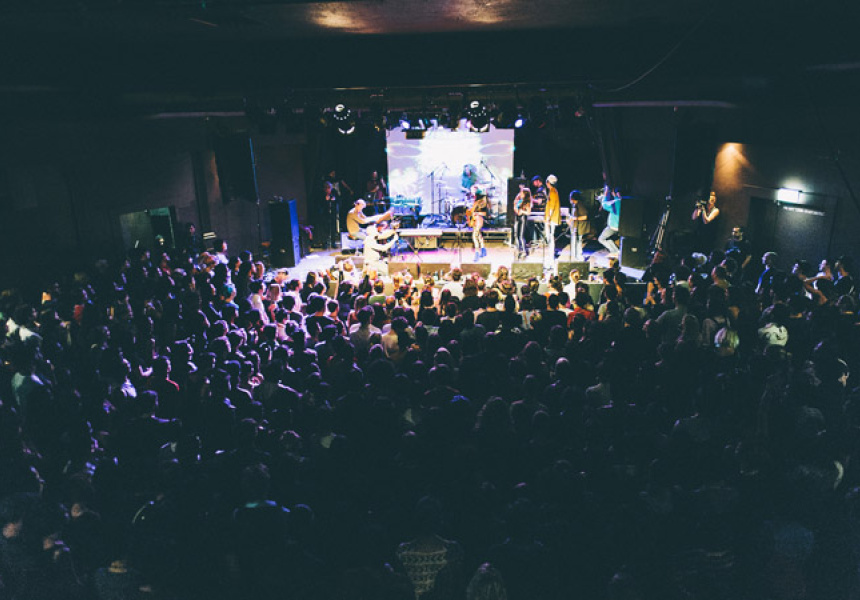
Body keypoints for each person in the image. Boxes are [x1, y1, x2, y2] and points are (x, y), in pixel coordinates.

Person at [598, 186, 621, 256]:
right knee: (608, 238)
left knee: (601, 239)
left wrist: (605, 194)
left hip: (614, 226)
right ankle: (615, 251)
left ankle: (615, 251)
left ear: (614, 193)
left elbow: (604, 205)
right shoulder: (626, 202)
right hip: (622, 227)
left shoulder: (615, 202)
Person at [544, 175, 561, 264]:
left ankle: (551, 256)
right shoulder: (552, 191)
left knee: (550, 237)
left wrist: (548, 219)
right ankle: (551, 255)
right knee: (550, 237)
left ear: (548, 182)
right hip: (551, 218)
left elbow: (552, 207)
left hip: (552, 218)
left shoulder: (553, 192)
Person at [568, 190, 589, 260]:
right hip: (575, 227)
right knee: (575, 243)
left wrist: (574, 218)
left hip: (579, 227)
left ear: (572, 198)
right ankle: (575, 257)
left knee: (578, 242)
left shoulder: (580, 205)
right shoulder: (574, 205)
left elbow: (585, 217)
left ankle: (579, 257)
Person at [513, 185, 532, 259]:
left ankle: (523, 251)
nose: (520, 194)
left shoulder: (527, 202)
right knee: (516, 235)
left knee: (521, 236)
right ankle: (518, 250)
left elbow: (528, 212)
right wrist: (516, 209)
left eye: (522, 193)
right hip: (517, 218)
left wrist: (522, 211)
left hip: (523, 219)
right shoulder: (519, 200)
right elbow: (515, 206)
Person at [471, 190, 489, 261]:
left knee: (475, 236)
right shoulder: (477, 202)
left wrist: (477, 213)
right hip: (476, 221)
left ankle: (477, 253)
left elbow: (485, 213)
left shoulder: (481, 203)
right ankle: (483, 250)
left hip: (479, 220)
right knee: (478, 235)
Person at [322, 181, 340, 249]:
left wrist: (335, 200)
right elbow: (319, 204)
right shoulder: (322, 194)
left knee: (333, 228)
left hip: (333, 213)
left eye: (329, 188)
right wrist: (325, 200)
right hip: (325, 214)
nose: (328, 190)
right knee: (325, 229)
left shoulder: (334, 192)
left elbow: (339, 200)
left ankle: (333, 243)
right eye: (327, 188)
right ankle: (325, 243)